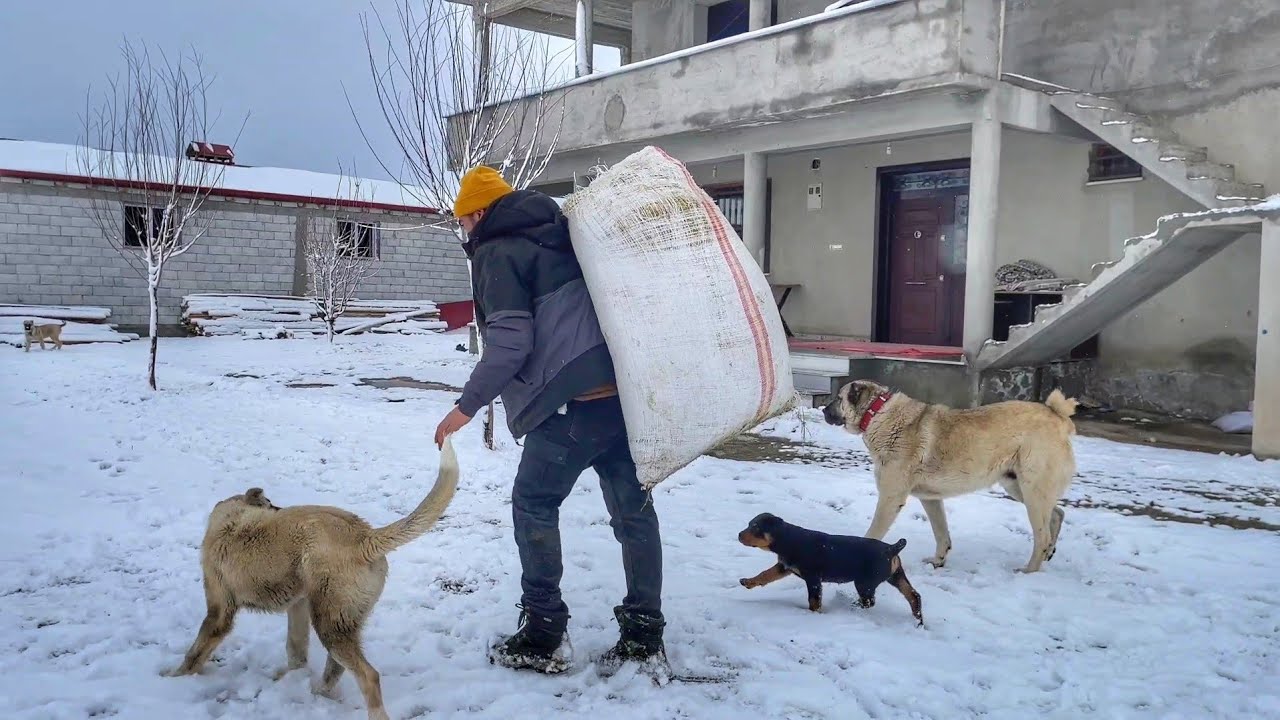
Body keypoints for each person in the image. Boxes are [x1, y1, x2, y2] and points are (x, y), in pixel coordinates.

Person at [434, 166, 666, 675]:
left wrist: (466, 406)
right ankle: (644, 636)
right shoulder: (565, 233)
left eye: (464, 222)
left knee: (534, 505)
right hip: (619, 398)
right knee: (635, 516)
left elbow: (511, 342)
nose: (466, 232)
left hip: (567, 407)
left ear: (477, 213)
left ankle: (544, 634)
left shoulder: (498, 252)